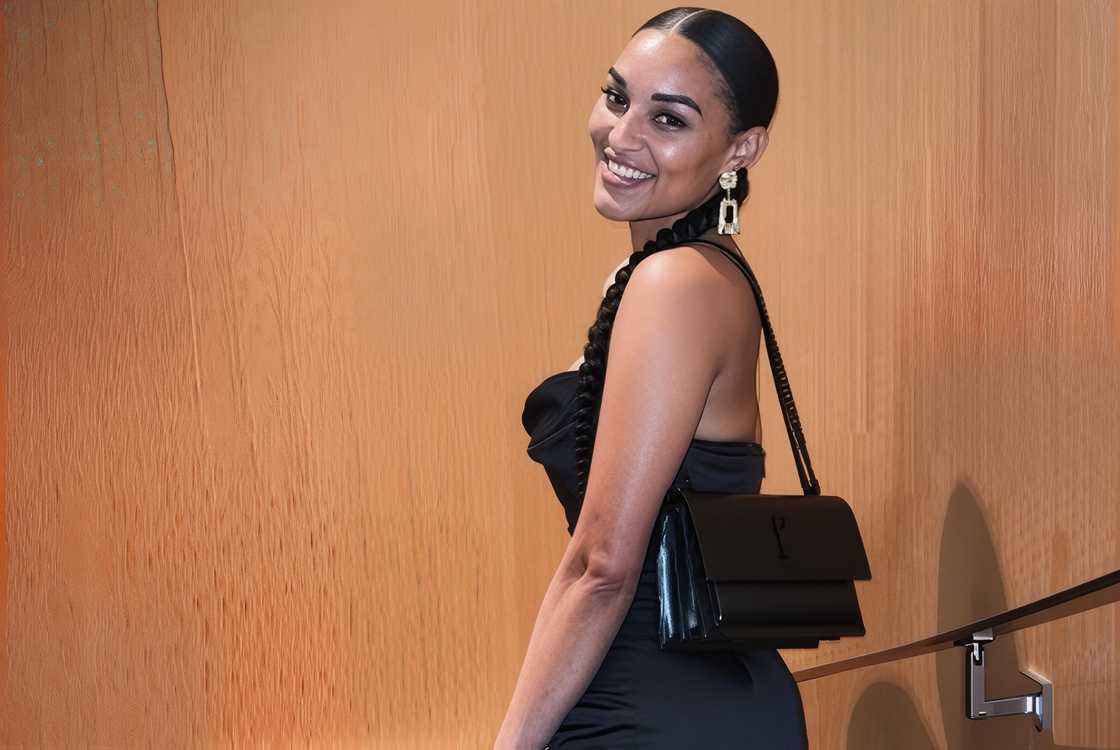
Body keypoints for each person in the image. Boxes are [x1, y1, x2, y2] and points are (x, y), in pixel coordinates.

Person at [496, 7, 809, 749]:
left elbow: (602, 567)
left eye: (667, 120)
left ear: (742, 148)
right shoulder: (677, 273)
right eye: (616, 97)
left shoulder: (676, 284)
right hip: (686, 697)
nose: (621, 135)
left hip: (654, 709)